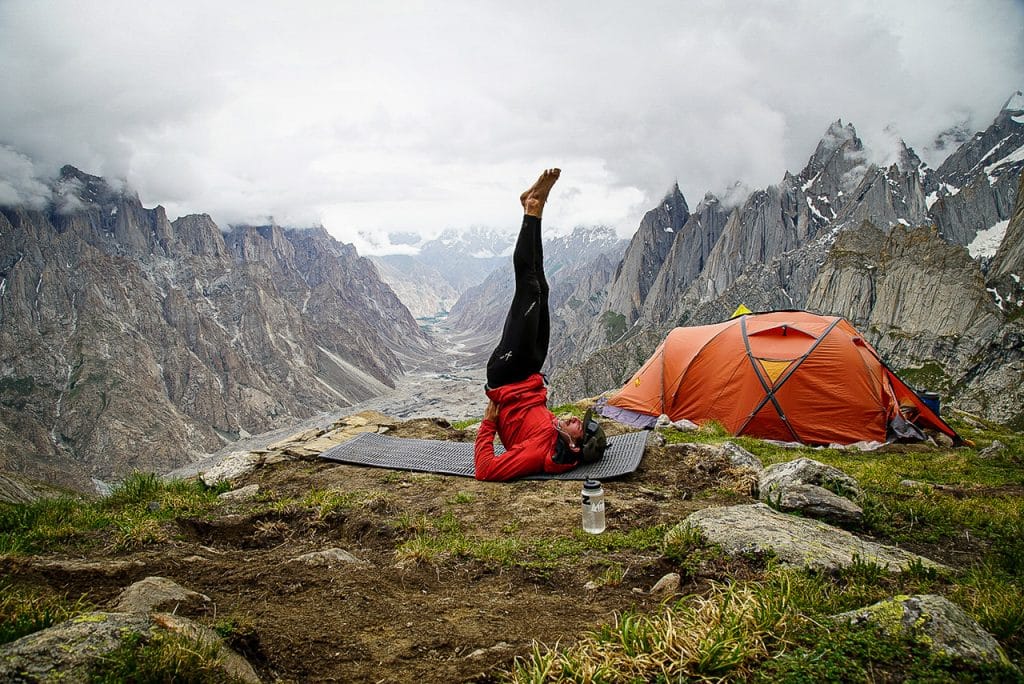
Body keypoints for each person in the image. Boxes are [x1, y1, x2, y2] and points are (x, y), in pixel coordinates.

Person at [474, 168, 607, 481]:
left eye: (580, 426)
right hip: (527, 376)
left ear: (574, 445)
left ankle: (532, 207)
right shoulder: (556, 437)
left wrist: (489, 424)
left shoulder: (539, 453)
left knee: (529, 288)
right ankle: (533, 206)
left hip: (506, 378)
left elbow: (485, 471)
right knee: (542, 288)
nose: (576, 418)